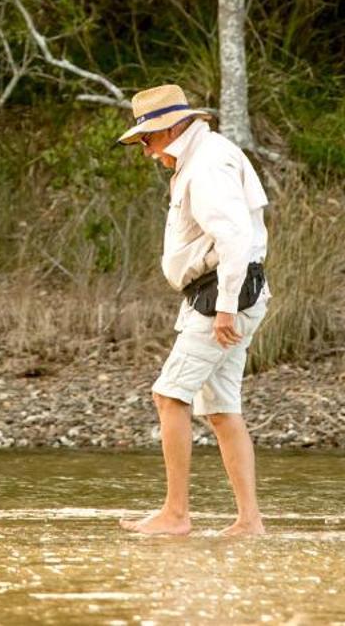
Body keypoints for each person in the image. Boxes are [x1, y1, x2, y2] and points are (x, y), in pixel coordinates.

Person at [114, 84, 270, 538]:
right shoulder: (205, 156)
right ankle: (249, 521)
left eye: (147, 138)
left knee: (169, 395)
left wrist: (223, 309)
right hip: (226, 293)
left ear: (171, 128)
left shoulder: (205, 166)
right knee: (221, 408)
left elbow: (236, 239)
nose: (145, 149)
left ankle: (176, 514)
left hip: (223, 295)